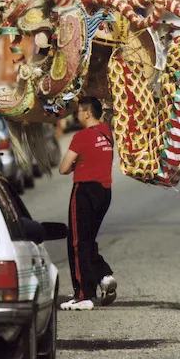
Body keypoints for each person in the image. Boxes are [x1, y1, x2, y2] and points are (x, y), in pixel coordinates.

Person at [58, 96, 117, 311]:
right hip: (104, 191)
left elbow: (63, 168)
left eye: (78, 112)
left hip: (84, 191)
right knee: (88, 239)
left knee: (76, 242)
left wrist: (76, 164)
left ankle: (83, 294)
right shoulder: (106, 132)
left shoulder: (81, 137)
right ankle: (103, 275)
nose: (76, 115)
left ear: (87, 112)